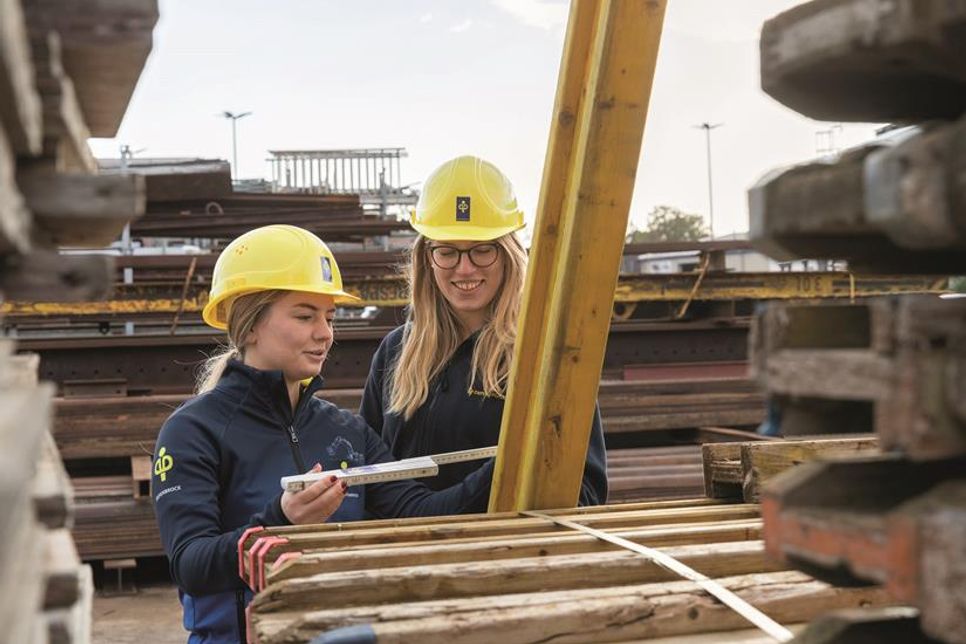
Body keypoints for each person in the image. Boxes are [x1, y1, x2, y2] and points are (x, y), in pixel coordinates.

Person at [152, 224, 492, 644]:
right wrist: (279, 520)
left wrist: (503, 466)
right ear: (249, 323)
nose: (325, 333)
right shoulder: (192, 431)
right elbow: (191, 562)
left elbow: (419, 513)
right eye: (304, 315)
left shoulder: (346, 431)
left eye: (329, 317)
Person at [360, 155, 608, 504]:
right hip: (405, 553)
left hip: (502, 553)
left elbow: (586, 492)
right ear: (427, 259)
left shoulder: (543, 356)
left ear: (508, 253)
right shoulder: (396, 351)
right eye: (447, 252)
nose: (464, 268)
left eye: (481, 250)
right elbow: (367, 473)